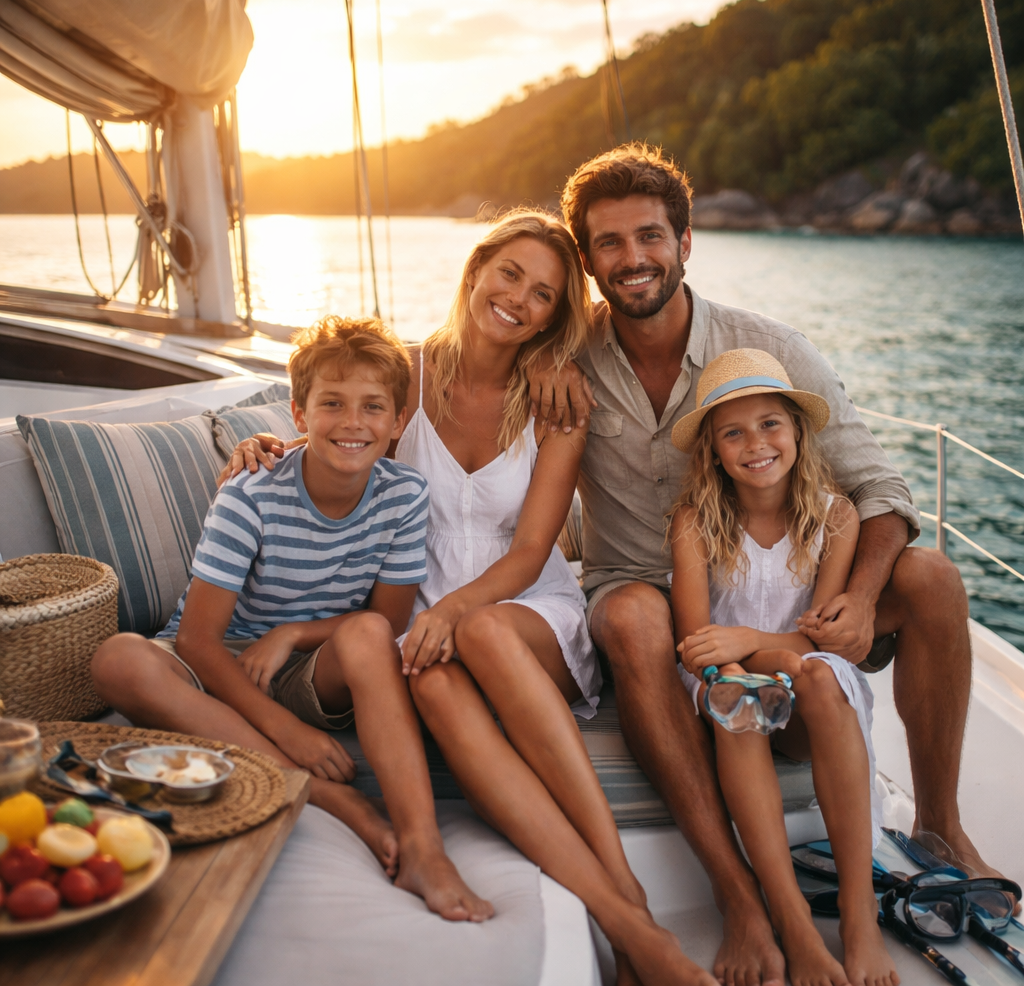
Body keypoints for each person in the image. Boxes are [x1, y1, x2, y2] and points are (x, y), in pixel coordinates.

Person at [526, 142, 989, 983]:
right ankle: (741, 899)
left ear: (686, 241)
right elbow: (446, 382)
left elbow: (881, 490)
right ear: (587, 261)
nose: (633, 258)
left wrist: (856, 596)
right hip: (647, 584)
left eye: (650, 236)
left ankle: (940, 824)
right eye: (609, 243)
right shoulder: (561, 361)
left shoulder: (768, 350)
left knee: (931, 578)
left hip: (788, 600)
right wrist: (284, 444)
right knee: (634, 614)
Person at [226, 211, 718, 986]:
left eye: (546, 294)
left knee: (483, 633)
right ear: (476, 271)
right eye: (511, 275)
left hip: (524, 605)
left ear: (557, 313)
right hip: (420, 606)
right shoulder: (410, 372)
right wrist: (273, 449)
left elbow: (532, 551)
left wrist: (460, 611)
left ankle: (625, 892)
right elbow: (349, 434)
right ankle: (629, 926)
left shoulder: (557, 397)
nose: (520, 299)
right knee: (432, 681)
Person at [91, 315, 493, 924]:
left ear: (397, 423)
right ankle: (322, 794)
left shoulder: (404, 495)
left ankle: (422, 845)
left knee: (365, 633)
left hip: (311, 667)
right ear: (300, 415)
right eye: (332, 403)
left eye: (373, 407)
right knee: (117, 658)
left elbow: (383, 623)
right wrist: (289, 732)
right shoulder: (251, 492)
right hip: (217, 660)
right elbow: (198, 643)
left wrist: (292, 635)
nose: (354, 423)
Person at [669, 348, 897, 986]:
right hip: (729, 689)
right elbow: (695, 645)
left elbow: (818, 641)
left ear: (797, 430)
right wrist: (752, 652)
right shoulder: (694, 522)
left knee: (818, 674)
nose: (756, 443)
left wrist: (750, 638)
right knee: (743, 690)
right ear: (713, 450)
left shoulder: (835, 518)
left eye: (771, 423)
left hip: (807, 692)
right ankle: (793, 920)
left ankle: (858, 912)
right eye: (733, 433)